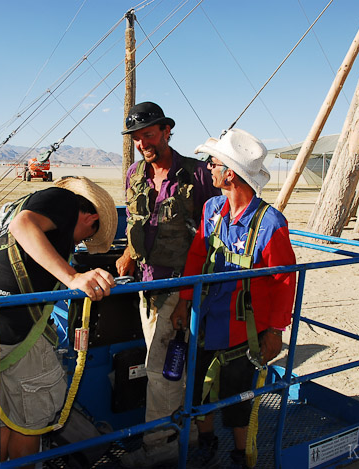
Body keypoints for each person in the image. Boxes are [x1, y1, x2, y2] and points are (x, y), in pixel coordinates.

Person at [0, 176, 118, 468]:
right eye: (85, 237)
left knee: (4, 418)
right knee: (29, 425)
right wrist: (72, 276)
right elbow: (23, 226)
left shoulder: (30, 205)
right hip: (14, 337)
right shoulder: (63, 201)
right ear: (90, 216)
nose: (78, 242)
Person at [170, 129, 297, 468]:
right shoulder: (213, 208)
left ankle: (241, 455)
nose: (208, 169)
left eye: (212, 163)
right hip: (206, 320)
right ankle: (206, 443)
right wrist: (184, 300)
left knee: (238, 396)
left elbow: (284, 279)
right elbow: (198, 255)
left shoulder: (270, 224)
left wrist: (275, 330)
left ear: (229, 173)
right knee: (197, 388)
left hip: (244, 331)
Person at [116, 102, 220, 467]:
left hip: (180, 285)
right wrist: (129, 253)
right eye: (136, 137)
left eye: (148, 134)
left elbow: (211, 239)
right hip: (145, 285)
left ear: (166, 130)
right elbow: (135, 221)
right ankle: (186, 438)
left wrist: (189, 298)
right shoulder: (133, 173)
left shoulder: (196, 175)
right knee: (170, 367)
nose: (143, 142)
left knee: (161, 371)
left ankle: (159, 449)